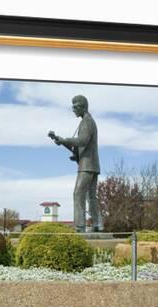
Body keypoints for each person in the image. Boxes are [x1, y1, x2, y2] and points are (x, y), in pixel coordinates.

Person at [51, 95, 101, 232]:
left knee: (78, 194)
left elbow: (83, 140)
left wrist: (65, 139)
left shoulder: (87, 121)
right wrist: (62, 142)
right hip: (92, 165)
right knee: (91, 197)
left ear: (83, 107)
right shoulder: (86, 121)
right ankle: (97, 225)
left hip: (87, 165)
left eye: (75, 107)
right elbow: (79, 147)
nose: (73, 109)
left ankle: (79, 226)